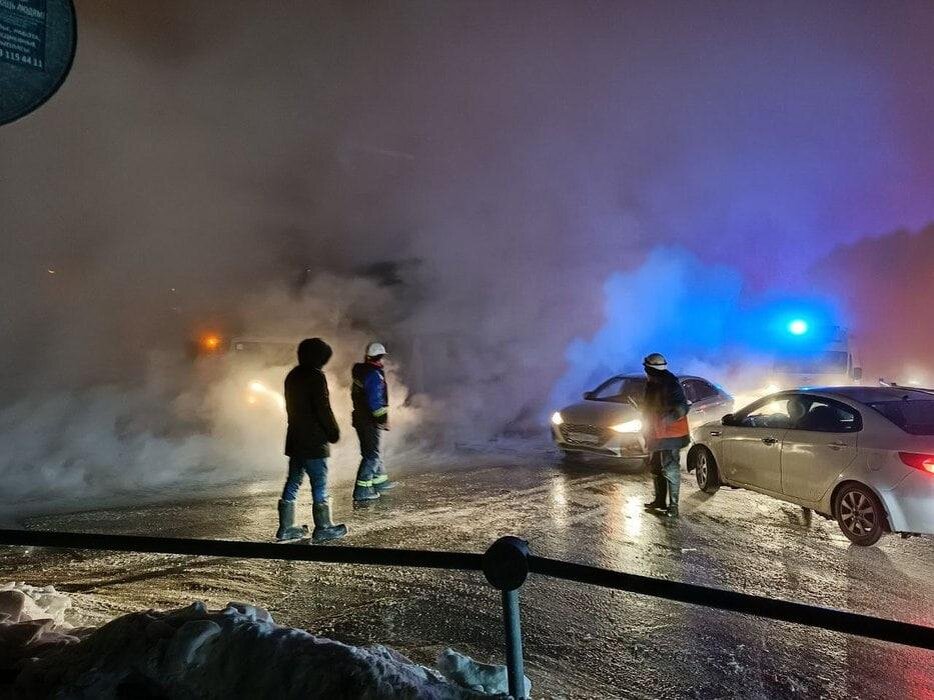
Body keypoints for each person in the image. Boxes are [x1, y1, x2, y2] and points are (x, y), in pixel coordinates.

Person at [277, 337, 347, 542]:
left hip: (295, 439)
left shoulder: (292, 375)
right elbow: (323, 409)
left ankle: (286, 527)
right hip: (314, 440)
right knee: (319, 482)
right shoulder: (316, 377)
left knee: (293, 481)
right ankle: (323, 527)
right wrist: (333, 431)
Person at [641, 353, 690, 518]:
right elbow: (649, 408)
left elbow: (683, 407)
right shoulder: (651, 384)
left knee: (670, 468)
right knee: (656, 467)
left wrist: (667, 419)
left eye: (646, 369)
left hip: (671, 436)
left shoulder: (671, 384)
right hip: (656, 434)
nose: (645, 372)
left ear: (650, 369)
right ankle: (660, 502)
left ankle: (673, 507)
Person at [351, 341, 394, 502]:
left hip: (361, 419)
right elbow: (375, 401)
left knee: (372, 452)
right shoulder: (374, 375)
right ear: (380, 357)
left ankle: (380, 482)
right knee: (372, 456)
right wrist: (383, 419)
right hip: (369, 420)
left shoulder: (361, 372)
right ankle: (362, 491)